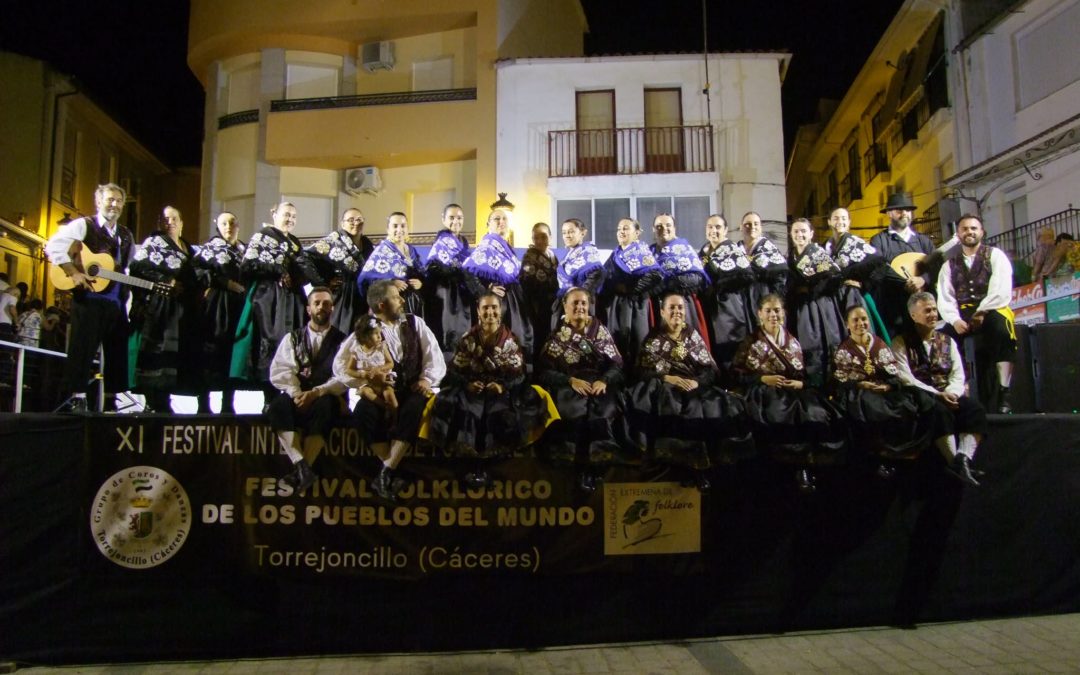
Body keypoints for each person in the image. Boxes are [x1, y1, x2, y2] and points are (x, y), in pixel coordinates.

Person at [423, 292, 552, 488]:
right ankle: (473, 467)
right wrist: (467, 384)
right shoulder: (468, 339)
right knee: (467, 411)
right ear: (478, 312)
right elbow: (455, 371)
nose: (490, 312)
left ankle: (490, 468)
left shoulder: (511, 340)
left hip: (501, 389)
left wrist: (502, 386)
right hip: (472, 388)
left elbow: (520, 375)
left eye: (494, 308)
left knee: (497, 413)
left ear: (501, 311)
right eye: (485, 308)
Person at [333, 280, 446, 500]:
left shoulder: (416, 323)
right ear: (382, 304)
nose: (403, 300)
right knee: (363, 414)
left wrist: (426, 379)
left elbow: (434, 356)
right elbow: (340, 365)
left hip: (412, 389)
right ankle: (391, 471)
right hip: (380, 392)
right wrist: (363, 384)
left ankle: (386, 472)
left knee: (413, 409)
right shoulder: (365, 330)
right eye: (396, 297)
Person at [628, 293, 751, 490]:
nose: (677, 312)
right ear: (662, 312)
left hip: (693, 385)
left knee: (710, 404)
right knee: (672, 405)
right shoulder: (653, 339)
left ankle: (702, 469)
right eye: (672, 308)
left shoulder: (693, 336)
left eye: (680, 308)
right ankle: (676, 467)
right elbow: (642, 371)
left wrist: (696, 382)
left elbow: (710, 370)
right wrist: (666, 378)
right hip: (665, 387)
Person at [733, 294, 846, 493]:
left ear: (783, 313)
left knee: (814, 411)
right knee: (780, 412)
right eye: (768, 311)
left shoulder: (792, 340)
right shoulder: (751, 341)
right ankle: (789, 465)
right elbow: (737, 374)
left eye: (777, 310)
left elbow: (802, 373)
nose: (773, 315)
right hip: (765, 391)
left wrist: (799, 383)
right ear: (760, 314)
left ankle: (809, 464)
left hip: (792, 390)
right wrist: (761, 379)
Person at [45, 183, 136, 413]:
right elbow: (54, 245)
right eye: (109, 199)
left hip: (116, 302)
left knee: (117, 352)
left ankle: (113, 400)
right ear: (98, 202)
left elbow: (127, 268)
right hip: (89, 298)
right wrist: (73, 272)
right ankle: (78, 396)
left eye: (118, 200)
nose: (114, 204)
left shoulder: (126, 235)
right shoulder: (84, 225)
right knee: (82, 349)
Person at [538, 287, 631, 491]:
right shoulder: (557, 337)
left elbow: (617, 364)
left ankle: (598, 466)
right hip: (570, 385)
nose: (580, 307)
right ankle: (577, 469)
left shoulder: (600, 330)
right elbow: (544, 372)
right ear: (565, 306)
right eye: (575, 303)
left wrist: (605, 380)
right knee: (574, 412)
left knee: (602, 410)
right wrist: (569, 380)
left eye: (583, 303)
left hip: (599, 384)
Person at [832, 305, 938, 478]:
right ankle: (881, 455)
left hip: (884, 389)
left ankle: (906, 452)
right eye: (855, 320)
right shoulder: (844, 349)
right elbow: (840, 379)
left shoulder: (879, 344)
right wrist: (862, 385)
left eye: (864, 319)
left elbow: (893, 373)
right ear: (847, 324)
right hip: (860, 392)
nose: (861, 323)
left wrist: (888, 386)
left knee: (911, 403)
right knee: (872, 407)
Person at [892, 292, 985, 486]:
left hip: (948, 392)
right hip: (921, 396)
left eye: (934, 309)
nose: (933, 314)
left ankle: (963, 460)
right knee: (939, 411)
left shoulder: (947, 341)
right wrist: (938, 395)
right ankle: (954, 463)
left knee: (975, 410)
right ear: (913, 315)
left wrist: (952, 393)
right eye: (927, 310)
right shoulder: (900, 342)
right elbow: (905, 378)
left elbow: (958, 374)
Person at [266, 287, 348, 493]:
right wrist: (296, 393)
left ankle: (304, 470)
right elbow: (281, 370)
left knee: (326, 407)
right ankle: (302, 466)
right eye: (317, 303)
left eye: (327, 303)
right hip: (297, 396)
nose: (322, 307)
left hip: (324, 397)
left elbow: (344, 376)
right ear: (308, 309)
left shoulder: (344, 341)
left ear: (333, 308)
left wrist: (317, 392)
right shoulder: (292, 338)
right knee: (277, 407)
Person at [936, 214, 1017, 414]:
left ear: (982, 232)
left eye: (973, 228)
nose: (969, 232)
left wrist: (983, 311)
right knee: (943, 340)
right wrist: (954, 320)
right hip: (962, 312)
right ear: (958, 234)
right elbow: (945, 296)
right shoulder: (948, 265)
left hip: (992, 308)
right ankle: (951, 391)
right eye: (965, 229)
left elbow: (1001, 288)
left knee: (1002, 331)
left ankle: (1004, 391)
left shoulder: (995, 255)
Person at [235, 201, 308, 396]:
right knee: (270, 343)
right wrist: (276, 271)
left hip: (291, 301)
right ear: (274, 214)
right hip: (268, 300)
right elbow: (248, 266)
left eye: (293, 216)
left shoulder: (294, 242)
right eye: (286, 214)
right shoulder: (261, 237)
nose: (290, 219)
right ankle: (268, 395)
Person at [192, 211, 247, 413]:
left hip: (239, 306)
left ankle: (228, 402)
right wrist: (224, 282)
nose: (228, 227)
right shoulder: (210, 248)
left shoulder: (243, 249)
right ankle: (203, 403)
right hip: (217, 306)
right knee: (211, 350)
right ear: (218, 226)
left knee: (232, 353)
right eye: (224, 223)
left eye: (232, 223)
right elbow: (196, 271)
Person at [463, 209, 534, 360]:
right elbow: (468, 271)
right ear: (488, 224)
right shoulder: (487, 245)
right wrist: (485, 292)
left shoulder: (505, 247)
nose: (501, 222)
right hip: (499, 304)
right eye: (497, 219)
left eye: (504, 219)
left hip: (513, 301)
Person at [786, 217, 849, 384]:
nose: (800, 234)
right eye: (796, 231)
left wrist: (812, 289)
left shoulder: (817, 254)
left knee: (820, 344)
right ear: (791, 234)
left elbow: (834, 278)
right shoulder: (790, 257)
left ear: (811, 234)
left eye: (803, 231)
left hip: (819, 307)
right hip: (797, 308)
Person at [868, 192, 936, 337]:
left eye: (907, 210)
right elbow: (879, 268)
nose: (904, 214)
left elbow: (936, 267)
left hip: (922, 309)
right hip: (893, 308)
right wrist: (905, 282)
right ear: (889, 213)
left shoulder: (924, 241)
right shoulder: (879, 241)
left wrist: (923, 279)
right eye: (899, 210)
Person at [599, 217, 662, 369]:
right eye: (619, 229)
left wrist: (631, 289)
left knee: (636, 341)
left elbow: (655, 275)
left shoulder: (641, 251)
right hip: (616, 305)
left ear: (637, 233)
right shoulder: (616, 253)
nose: (621, 232)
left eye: (626, 228)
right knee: (617, 340)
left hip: (636, 304)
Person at [300, 208, 374, 334]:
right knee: (340, 335)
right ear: (342, 223)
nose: (355, 223)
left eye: (359, 220)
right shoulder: (333, 241)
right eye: (351, 220)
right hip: (342, 296)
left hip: (362, 295)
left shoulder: (367, 244)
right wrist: (322, 283)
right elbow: (304, 258)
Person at [699, 214, 754, 374]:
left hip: (729, 307)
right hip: (708, 306)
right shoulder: (704, 251)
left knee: (730, 345)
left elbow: (747, 276)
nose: (713, 230)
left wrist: (720, 286)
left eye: (717, 227)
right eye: (710, 227)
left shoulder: (732, 250)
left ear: (725, 230)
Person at [423, 204, 473, 359]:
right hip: (446, 294)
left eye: (459, 218)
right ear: (444, 220)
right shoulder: (441, 241)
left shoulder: (464, 242)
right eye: (451, 217)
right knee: (448, 333)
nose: (456, 221)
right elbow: (431, 268)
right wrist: (448, 272)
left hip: (463, 294)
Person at [651, 213, 709, 343]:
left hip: (681, 303)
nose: (663, 229)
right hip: (656, 306)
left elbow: (697, 278)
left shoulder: (684, 249)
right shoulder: (649, 252)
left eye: (668, 225)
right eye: (659, 226)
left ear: (674, 228)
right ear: (653, 229)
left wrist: (668, 283)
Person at [358, 212, 424, 317]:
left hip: (413, 302)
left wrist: (420, 283)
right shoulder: (381, 251)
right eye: (395, 226)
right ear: (388, 229)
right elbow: (365, 279)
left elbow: (421, 272)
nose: (399, 230)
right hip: (391, 304)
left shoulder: (411, 249)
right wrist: (391, 282)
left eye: (403, 226)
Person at [551, 218, 604, 329]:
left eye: (571, 232)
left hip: (581, 305)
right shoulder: (569, 255)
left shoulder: (589, 252)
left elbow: (597, 275)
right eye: (564, 233)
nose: (567, 235)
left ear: (583, 233)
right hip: (564, 303)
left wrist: (577, 294)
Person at [739, 211, 788, 331]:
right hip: (741, 302)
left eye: (756, 224)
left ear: (761, 227)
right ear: (741, 227)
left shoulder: (769, 249)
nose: (752, 227)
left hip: (763, 297)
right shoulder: (735, 250)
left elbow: (780, 280)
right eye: (748, 224)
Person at [343, 314, 399, 414]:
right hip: (368, 383)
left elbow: (390, 363)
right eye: (375, 333)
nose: (379, 336)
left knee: (389, 394)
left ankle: (394, 419)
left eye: (380, 333)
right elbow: (349, 370)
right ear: (365, 336)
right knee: (366, 392)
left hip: (383, 381)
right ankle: (384, 406)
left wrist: (380, 368)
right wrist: (361, 374)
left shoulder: (381, 348)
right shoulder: (357, 352)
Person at [521, 222, 560, 358]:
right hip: (538, 305)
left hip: (553, 304)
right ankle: (539, 373)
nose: (539, 241)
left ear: (550, 237)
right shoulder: (529, 257)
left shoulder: (552, 255)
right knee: (540, 338)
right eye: (535, 238)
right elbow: (527, 283)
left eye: (543, 237)